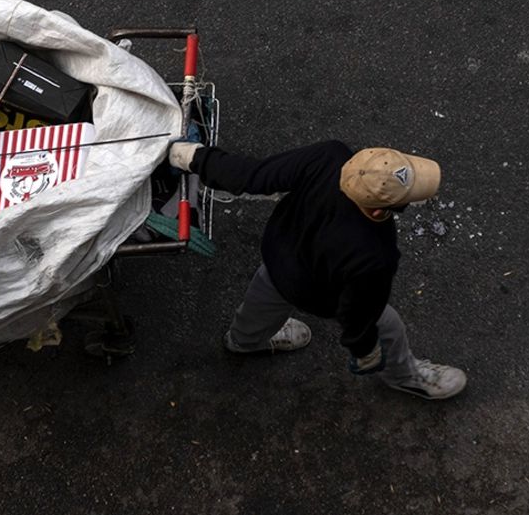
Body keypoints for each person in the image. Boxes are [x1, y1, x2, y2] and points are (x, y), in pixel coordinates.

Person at [168, 139, 467, 400]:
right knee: (389, 326)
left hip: (278, 262)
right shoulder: (376, 252)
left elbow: (252, 175)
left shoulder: (329, 157)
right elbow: (357, 312)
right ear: (379, 210)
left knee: (259, 305)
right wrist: (364, 351)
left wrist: (193, 156)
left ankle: (243, 342)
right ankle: (404, 375)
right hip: (317, 293)